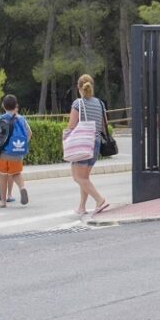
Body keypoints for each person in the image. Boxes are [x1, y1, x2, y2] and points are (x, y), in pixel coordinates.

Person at [66, 74, 109, 216]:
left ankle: (100, 200)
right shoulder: (100, 103)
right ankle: (81, 207)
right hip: (95, 143)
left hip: (82, 143)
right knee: (85, 178)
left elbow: (71, 125)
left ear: (79, 87)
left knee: (77, 177)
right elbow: (104, 125)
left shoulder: (78, 104)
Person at [0, 94, 32, 208]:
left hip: (3, 153)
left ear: (3, 106)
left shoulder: (0, 118)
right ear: (16, 106)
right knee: (16, 173)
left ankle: (3, 201)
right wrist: (21, 145)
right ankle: (22, 188)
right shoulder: (21, 119)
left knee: (2, 175)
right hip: (17, 153)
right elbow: (29, 133)